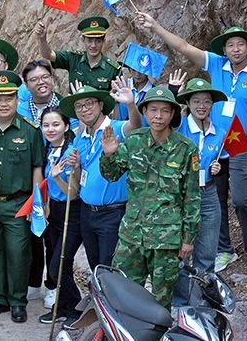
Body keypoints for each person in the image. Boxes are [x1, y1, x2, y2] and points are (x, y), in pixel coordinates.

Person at [136, 13, 247, 270]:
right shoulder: (215, 64)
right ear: (224, 48)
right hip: (213, 138)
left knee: (241, 199)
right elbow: (183, 47)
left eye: (240, 44)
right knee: (216, 195)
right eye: (230, 44)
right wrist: (155, 25)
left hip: (241, 139)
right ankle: (224, 249)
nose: (235, 49)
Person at [100, 86, 200, 309]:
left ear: (173, 114)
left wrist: (188, 239)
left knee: (161, 300)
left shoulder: (186, 148)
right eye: (153, 110)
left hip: (167, 239)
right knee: (122, 293)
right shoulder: (134, 141)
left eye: (165, 111)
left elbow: (191, 197)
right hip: (132, 235)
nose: (158, 116)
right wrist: (109, 155)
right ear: (144, 111)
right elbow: (111, 175)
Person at [0, 71, 43, 324]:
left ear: (18, 99)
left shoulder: (30, 131)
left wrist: (36, 204)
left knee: (18, 253)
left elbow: (37, 167)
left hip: (19, 203)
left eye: (9, 98)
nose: (3, 103)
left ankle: (17, 301)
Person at [59, 81, 141, 271]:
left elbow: (135, 126)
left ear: (101, 105)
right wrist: (76, 165)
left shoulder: (115, 128)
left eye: (89, 103)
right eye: (79, 106)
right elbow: (79, 180)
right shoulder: (80, 138)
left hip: (112, 214)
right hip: (87, 212)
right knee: (95, 266)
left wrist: (130, 104)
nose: (84, 109)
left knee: (109, 269)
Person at [171, 79, 227, 307]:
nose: (201, 106)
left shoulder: (221, 133)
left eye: (206, 101)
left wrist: (218, 170)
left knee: (206, 253)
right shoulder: (179, 127)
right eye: (196, 101)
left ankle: (203, 303)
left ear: (212, 104)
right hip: (181, 197)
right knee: (180, 253)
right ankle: (180, 303)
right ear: (188, 103)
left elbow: (222, 167)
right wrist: (173, 90)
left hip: (208, 196)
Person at [18, 59, 62, 306]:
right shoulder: (22, 110)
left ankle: (53, 284)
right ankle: (33, 281)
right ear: (26, 85)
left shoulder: (65, 107)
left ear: (52, 78)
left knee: (54, 236)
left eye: (44, 77)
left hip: (58, 182)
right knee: (33, 232)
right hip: (32, 179)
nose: (40, 82)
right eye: (33, 79)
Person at [36, 107, 82, 325]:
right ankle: (62, 307)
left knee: (58, 266)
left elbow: (73, 193)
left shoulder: (71, 152)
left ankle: (75, 308)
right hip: (52, 211)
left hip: (70, 213)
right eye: (46, 125)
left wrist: (56, 178)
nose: (50, 129)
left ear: (66, 126)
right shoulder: (47, 148)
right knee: (55, 259)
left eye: (56, 124)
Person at [36, 17, 121, 92]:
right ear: (83, 40)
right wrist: (42, 39)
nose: (93, 45)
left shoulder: (112, 69)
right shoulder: (73, 58)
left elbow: (117, 97)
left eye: (98, 41)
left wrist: (113, 92)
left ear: (103, 41)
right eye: (89, 40)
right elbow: (48, 55)